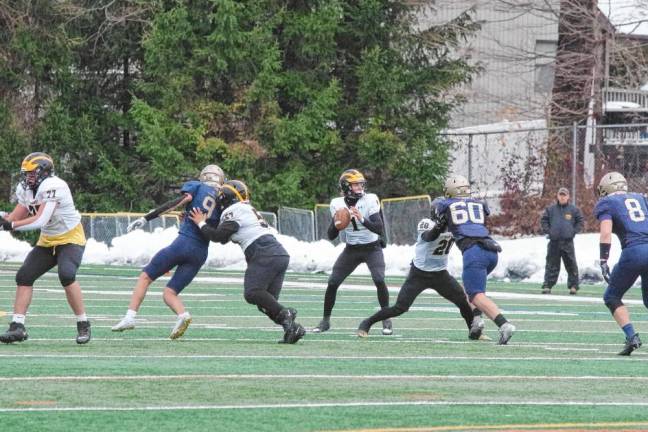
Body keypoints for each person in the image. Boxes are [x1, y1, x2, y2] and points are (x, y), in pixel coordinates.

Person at [111, 165, 225, 339]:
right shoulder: (222, 200)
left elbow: (177, 202)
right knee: (169, 293)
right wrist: (186, 218)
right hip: (201, 252)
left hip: (183, 244)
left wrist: (146, 218)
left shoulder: (197, 187)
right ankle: (182, 315)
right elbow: (213, 228)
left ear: (203, 177)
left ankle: (130, 317)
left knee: (145, 276)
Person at [189, 179, 305, 344]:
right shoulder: (245, 209)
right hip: (278, 253)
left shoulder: (235, 210)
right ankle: (292, 329)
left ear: (225, 198)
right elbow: (224, 237)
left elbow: (218, 237)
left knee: (253, 293)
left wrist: (200, 222)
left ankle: (286, 314)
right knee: (266, 303)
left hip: (263, 251)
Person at [356, 197, 483, 339]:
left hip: (440, 274)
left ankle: (474, 333)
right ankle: (366, 323)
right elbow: (429, 237)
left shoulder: (455, 227)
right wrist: (440, 225)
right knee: (400, 308)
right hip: (419, 274)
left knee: (462, 301)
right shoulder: (426, 223)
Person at [0, 152, 90, 344]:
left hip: (70, 238)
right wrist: (5, 221)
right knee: (24, 276)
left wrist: (12, 226)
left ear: (44, 171)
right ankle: (17, 326)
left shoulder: (54, 185)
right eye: (26, 173)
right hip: (48, 240)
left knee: (66, 275)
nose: (28, 177)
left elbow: (41, 219)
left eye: (32, 173)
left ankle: (83, 323)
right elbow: (20, 211)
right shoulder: (26, 189)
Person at [430, 174, 515, 345]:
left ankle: (504, 324)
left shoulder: (444, 204)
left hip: (474, 252)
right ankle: (477, 320)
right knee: (471, 289)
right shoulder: (479, 204)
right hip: (491, 251)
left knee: (476, 295)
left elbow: (440, 222)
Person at [312, 169, 391, 335]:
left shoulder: (370, 199)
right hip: (352, 249)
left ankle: (386, 318)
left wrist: (361, 218)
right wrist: (338, 222)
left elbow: (378, 227)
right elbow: (331, 235)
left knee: (379, 279)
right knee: (333, 282)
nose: (360, 187)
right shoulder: (337, 204)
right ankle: (325, 320)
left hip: (372, 248)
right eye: (355, 184)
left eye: (361, 184)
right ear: (346, 186)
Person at [595, 171, 645, 355]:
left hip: (634, 251)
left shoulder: (607, 203)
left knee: (611, 296)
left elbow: (606, 232)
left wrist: (603, 259)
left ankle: (632, 336)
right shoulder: (641, 198)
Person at [540, 187, 583, 295]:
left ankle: (573, 286)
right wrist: (549, 231)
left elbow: (580, 221)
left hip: (567, 242)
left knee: (571, 264)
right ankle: (547, 285)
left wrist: (573, 232)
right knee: (551, 264)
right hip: (554, 242)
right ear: (557, 196)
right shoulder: (551, 209)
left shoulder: (574, 210)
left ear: (568, 196)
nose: (562, 197)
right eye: (561, 195)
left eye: (564, 195)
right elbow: (544, 220)